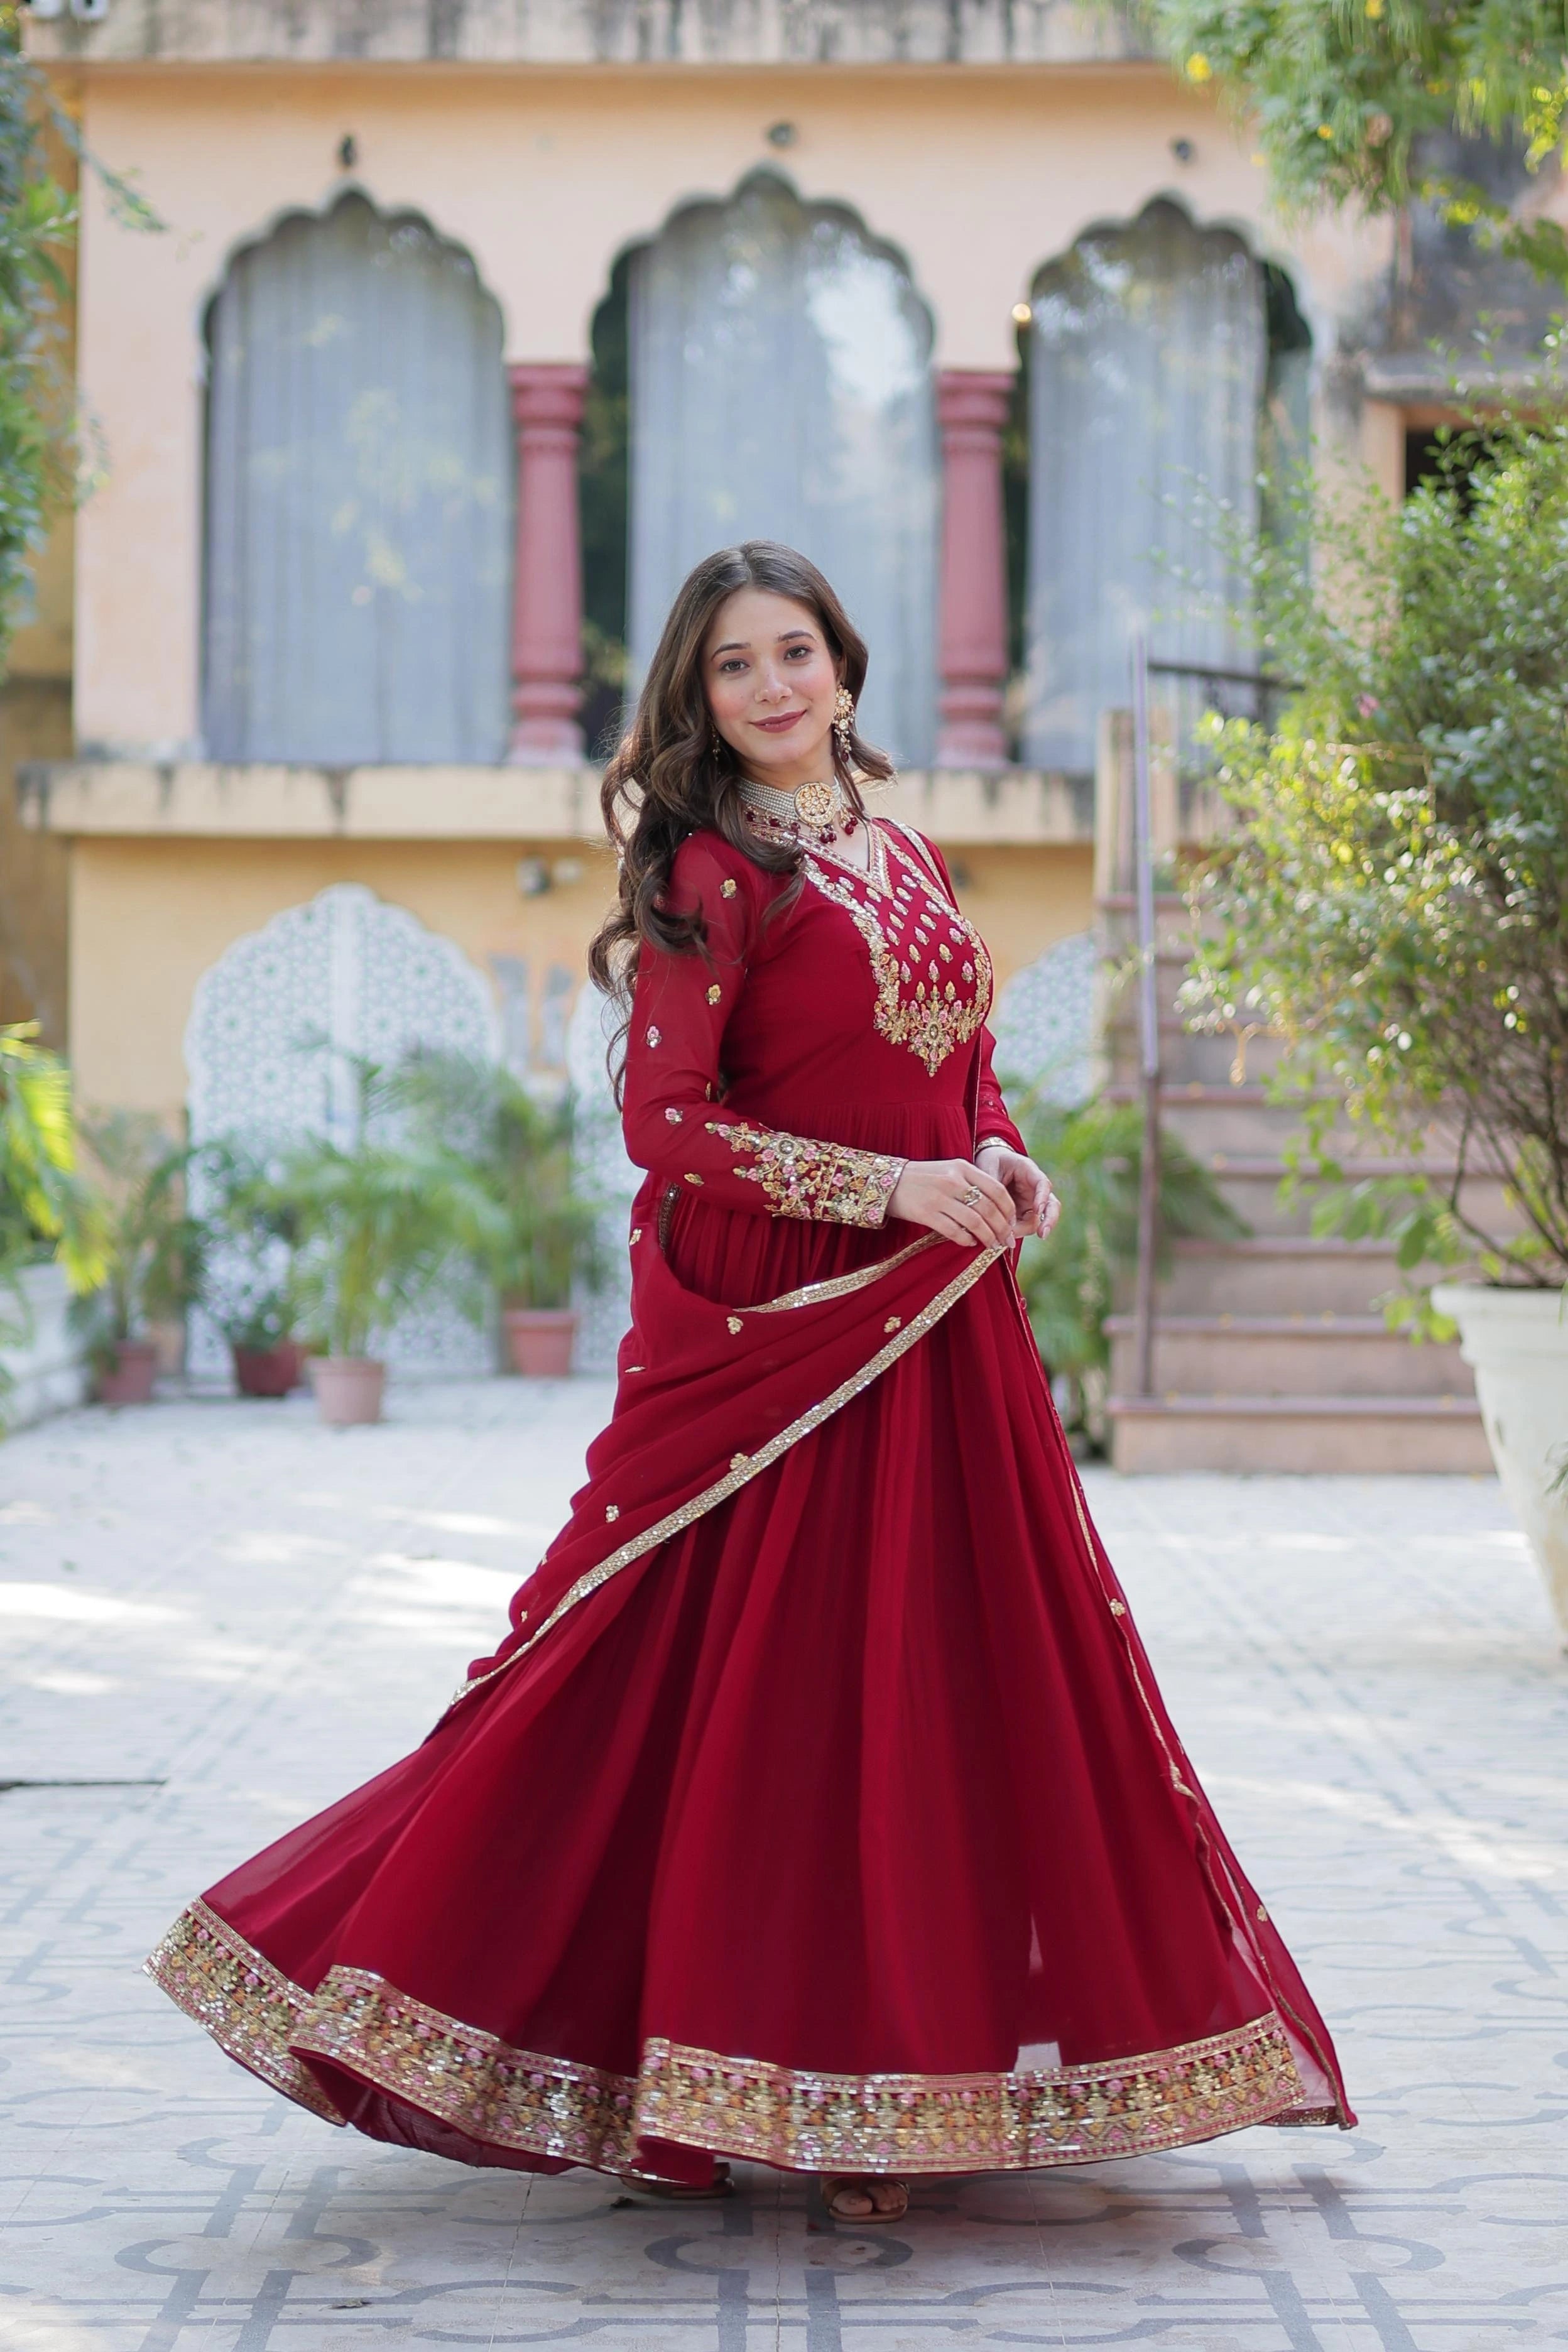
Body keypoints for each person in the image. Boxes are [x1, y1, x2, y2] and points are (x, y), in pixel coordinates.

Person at [148, 540, 1353, 2227]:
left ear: (846, 669)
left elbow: (966, 1063)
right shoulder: (708, 874)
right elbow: (665, 1128)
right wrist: (885, 1193)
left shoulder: (903, 847)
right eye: (736, 666)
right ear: (698, 701)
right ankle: (701, 2061)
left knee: (940, 1691)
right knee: (759, 1697)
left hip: (941, 1329)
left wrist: (1002, 1162)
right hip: (783, 1333)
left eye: (797, 650)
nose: (776, 684)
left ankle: (907, 2079)